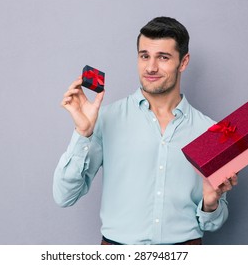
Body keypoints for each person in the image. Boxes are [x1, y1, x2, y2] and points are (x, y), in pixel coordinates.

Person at [53, 16, 238, 245]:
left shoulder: (210, 132)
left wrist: (211, 204)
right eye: (144, 56)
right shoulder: (106, 119)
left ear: (184, 61)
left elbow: (213, 223)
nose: (151, 67)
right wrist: (82, 134)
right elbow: (64, 196)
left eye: (163, 57)